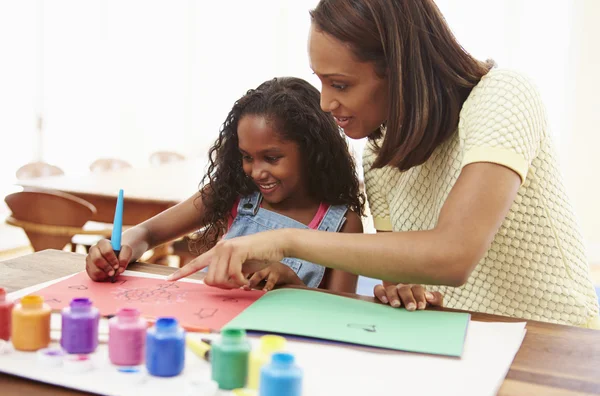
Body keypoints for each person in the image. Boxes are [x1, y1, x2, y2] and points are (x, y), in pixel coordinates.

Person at [168, 0, 599, 327]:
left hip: (554, 339)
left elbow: (452, 255)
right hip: (458, 340)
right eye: (320, 81)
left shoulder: (502, 96)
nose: (325, 103)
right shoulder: (378, 152)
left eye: (340, 84)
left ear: (401, 68)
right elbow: (407, 267)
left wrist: (286, 240)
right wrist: (402, 288)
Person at [87, 77, 371, 293]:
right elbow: (147, 232)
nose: (256, 172)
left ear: (313, 152)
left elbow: (338, 314)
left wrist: (293, 286)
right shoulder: (238, 194)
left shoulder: (343, 224)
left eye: (271, 158)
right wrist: (120, 249)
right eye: (247, 157)